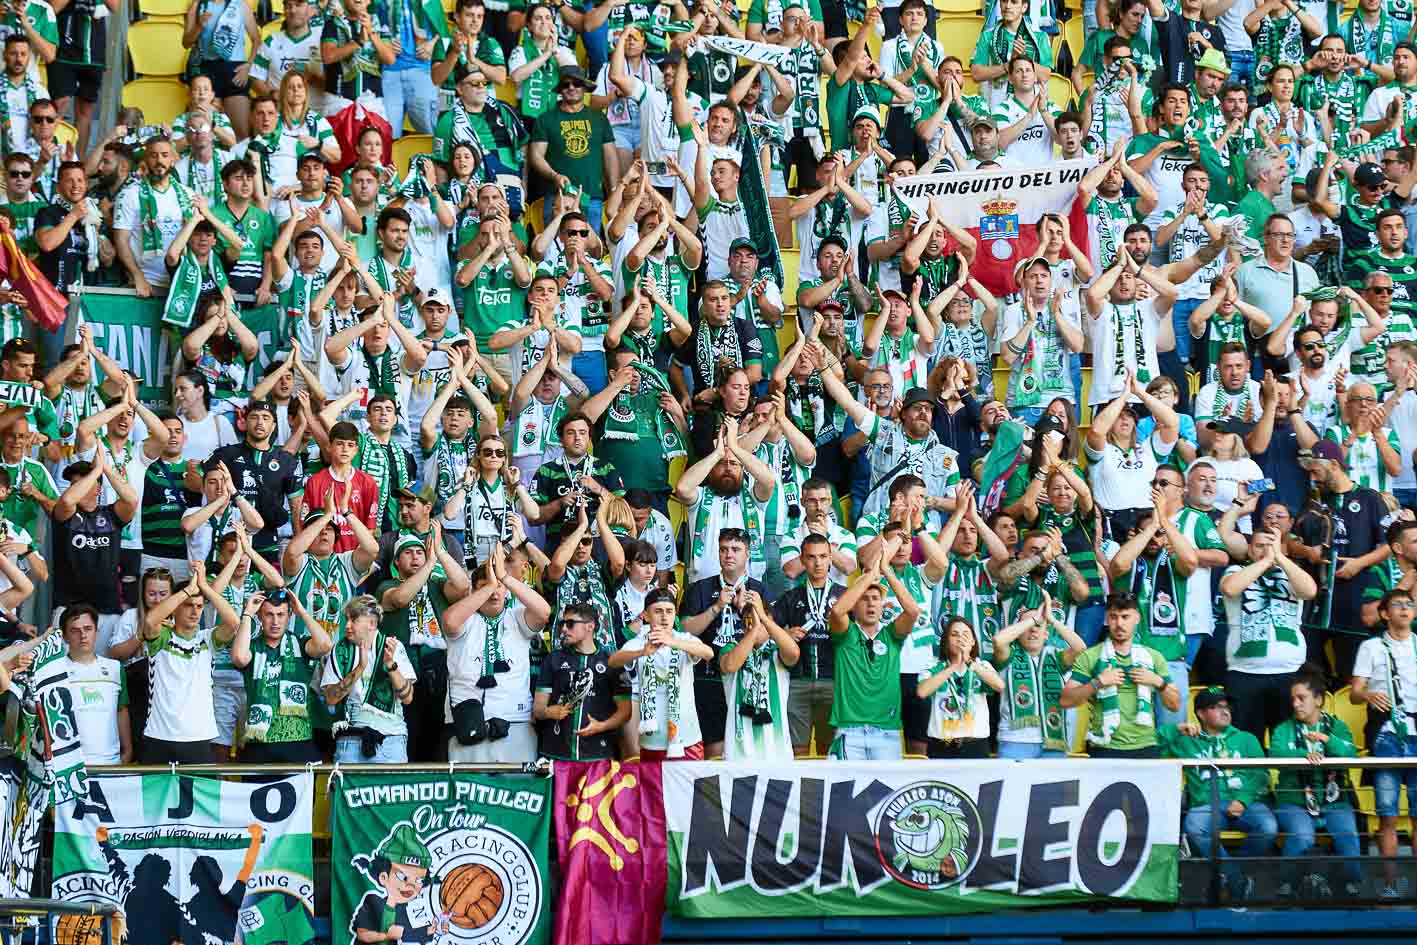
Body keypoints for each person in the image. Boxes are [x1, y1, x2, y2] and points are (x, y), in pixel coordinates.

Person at [1160, 687, 1277, 903]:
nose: (1225, 712)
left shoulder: (1246, 739)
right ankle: (1236, 878)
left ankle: (1228, 874)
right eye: (1216, 707)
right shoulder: (1186, 741)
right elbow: (1149, 746)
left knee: (1269, 827)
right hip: (1207, 805)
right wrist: (1176, 730)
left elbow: (1261, 775)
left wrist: (1243, 800)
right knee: (1194, 826)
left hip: (1247, 804)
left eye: (1226, 707)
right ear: (1201, 714)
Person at [441, 542, 549, 763]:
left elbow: (544, 611)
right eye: (485, 587)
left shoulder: (517, 616)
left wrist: (505, 578)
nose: (494, 593)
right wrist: (490, 585)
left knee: (515, 791)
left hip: (515, 722)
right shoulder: (465, 619)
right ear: (473, 591)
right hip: (468, 723)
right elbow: (450, 622)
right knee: (467, 795)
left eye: (499, 588)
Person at [1270, 666, 1363, 900]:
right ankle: (1286, 885)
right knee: (1302, 836)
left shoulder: (1337, 727)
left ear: (1319, 699)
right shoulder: (1283, 729)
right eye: (1293, 699)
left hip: (1335, 801)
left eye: (1302, 698)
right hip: (1294, 801)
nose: (1296, 704)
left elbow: (1350, 755)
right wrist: (1304, 757)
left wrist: (1327, 741)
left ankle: (1352, 886)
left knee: (1348, 834)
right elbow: (1276, 756)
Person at [826, 536, 921, 760]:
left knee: (887, 795)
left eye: (876, 598)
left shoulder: (891, 635)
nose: (870, 603)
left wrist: (886, 571)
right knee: (844, 794)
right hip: (848, 731)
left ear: (883, 605)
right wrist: (869, 575)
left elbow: (913, 612)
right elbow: (837, 612)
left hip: (887, 731)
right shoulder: (845, 634)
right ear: (855, 604)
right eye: (864, 598)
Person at [1221, 524, 1318, 739]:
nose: (1266, 550)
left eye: (1270, 545)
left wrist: (1281, 559)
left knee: (1289, 742)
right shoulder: (1236, 571)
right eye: (1259, 546)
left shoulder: (1291, 573)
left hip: (1289, 673)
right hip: (1245, 674)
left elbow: (1310, 591)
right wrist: (1266, 561)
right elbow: (1230, 588)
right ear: (1249, 549)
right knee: (1244, 742)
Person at [1350, 587, 1417, 900]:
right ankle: (1390, 885)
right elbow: (1354, 691)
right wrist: (1368, 695)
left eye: (1409, 604)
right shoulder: (1371, 647)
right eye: (1398, 605)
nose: (1405, 609)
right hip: (1386, 732)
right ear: (1385, 614)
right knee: (1387, 813)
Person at [139, 561, 240, 763]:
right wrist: (188, 591)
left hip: (199, 737)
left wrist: (203, 588)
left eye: (199, 606)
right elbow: (150, 621)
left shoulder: (207, 639)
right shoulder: (162, 638)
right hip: (159, 736)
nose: (195, 612)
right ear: (176, 607)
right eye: (188, 606)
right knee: (158, 796)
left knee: (197, 796)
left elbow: (233, 622)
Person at [1061, 591, 1182, 758]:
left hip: (1146, 745)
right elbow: (1066, 700)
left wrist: (1157, 681)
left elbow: (1174, 705)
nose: (1119, 623)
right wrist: (1097, 683)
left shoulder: (1154, 657)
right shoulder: (1091, 656)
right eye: (1113, 617)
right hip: (1104, 745)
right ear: (1106, 619)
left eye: (1125, 617)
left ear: (1137, 618)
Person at [230, 587, 334, 763]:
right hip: (259, 741)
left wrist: (302, 611)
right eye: (269, 614)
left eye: (281, 614)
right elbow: (239, 657)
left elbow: (325, 645)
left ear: (289, 616)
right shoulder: (252, 647)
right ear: (260, 617)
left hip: (299, 740)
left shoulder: (300, 644)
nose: (275, 621)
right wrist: (247, 614)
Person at [610, 587, 714, 761]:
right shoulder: (639, 642)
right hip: (652, 741)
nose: (665, 617)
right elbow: (613, 661)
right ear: (646, 615)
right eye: (658, 611)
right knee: (654, 789)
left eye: (669, 611)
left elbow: (708, 653)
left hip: (687, 739)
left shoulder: (684, 639)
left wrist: (672, 642)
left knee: (688, 789)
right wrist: (641, 653)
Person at [991, 594, 1087, 758]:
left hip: (1053, 742)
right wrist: (1034, 619)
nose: (1033, 629)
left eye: (1039, 626)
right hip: (1015, 741)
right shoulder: (1009, 656)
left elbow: (1080, 648)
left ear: (1046, 634)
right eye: (1027, 625)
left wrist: (1053, 620)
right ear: (1018, 632)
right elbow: (998, 640)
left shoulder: (1056, 657)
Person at [533, 602, 630, 760]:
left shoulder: (612, 662)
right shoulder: (553, 659)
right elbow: (538, 710)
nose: (564, 629)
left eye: (570, 624)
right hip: (557, 756)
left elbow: (625, 712)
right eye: (563, 623)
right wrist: (549, 712)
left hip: (597, 756)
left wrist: (602, 726)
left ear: (590, 626)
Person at [61, 604, 133, 766]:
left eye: (88, 629)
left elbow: (121, 711)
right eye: (75, 630)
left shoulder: (115, 668)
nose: (83, 635)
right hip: (69, 765)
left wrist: (127, 752)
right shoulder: (55, 671)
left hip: (110, 764)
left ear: (97, 632)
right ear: (64, 636)